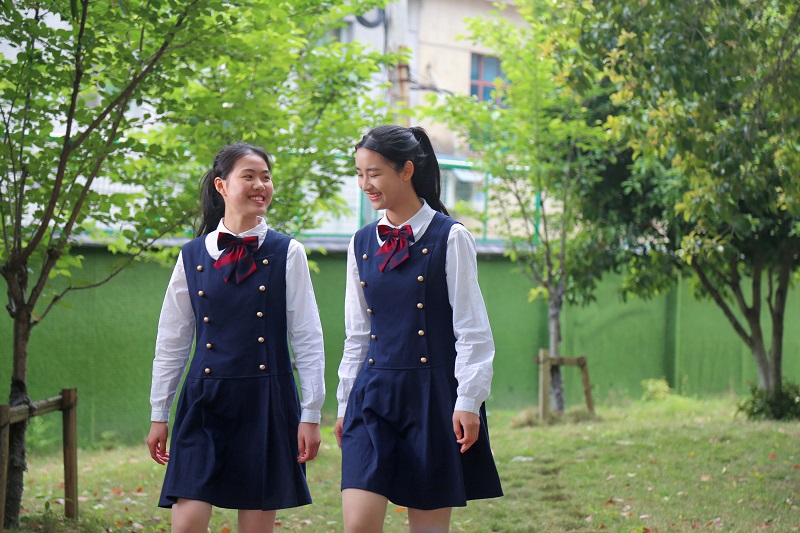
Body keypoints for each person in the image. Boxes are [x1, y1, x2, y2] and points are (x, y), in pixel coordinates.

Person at [146, 142, 325, 533]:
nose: (261, 185)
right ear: (221, 186)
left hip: (266, 400)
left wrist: (311, 413)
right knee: (186, 525)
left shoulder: (288, 252)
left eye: (266, 177)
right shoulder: (192, 255)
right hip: (205, 401)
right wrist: (159, 413)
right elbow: (172, 342)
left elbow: (307, 337)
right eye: (249, 176)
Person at [334, 125, 503, 533]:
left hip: (431, 399)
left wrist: (468, 400)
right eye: (359, 174)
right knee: (358, 525)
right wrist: (344, 401)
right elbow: (358, 334)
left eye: (374, 173)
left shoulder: (451, 237)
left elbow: (472, 331)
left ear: (406, 170)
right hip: (372, 396)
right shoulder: (361, 243)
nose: (365, 184)